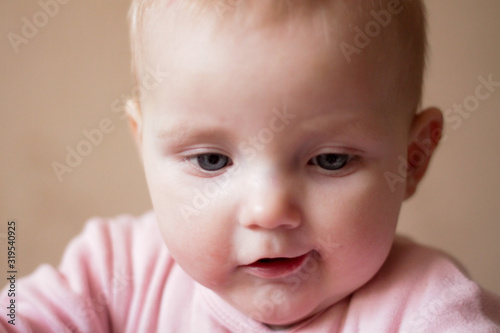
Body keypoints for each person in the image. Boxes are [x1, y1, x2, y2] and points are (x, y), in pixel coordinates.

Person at [2, 0, 500, 331]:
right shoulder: (115, 270)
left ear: (411, 160)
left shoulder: (429, 308)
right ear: (143, 147)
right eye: (212, 160)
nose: (269, 211)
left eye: (329, 160)